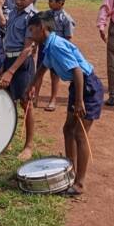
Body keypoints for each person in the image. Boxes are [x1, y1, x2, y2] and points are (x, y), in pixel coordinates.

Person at [27, 11, 104, 196]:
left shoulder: (57, 46)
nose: (29, 34)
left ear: (42, 28)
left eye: (32, 30)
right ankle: (69, 171)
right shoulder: (47, 45)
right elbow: (43, 68)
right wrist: (31, 87)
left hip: (87, 87)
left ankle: (79, 183)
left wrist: (79, 101)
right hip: (76, 87)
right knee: (67, 129)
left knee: (79, 134)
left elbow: (77, 71)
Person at [0, 0, 37, 161]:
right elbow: (9, 42)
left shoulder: (32, 17)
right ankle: (6, 139)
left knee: (26, 104)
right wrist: (4, 67)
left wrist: (11, 72)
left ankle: (29, 145)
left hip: (22, 66)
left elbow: (27, 49)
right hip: (9, 61)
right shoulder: (12, 13)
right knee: (8, 102)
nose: (19, 2)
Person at [34, 0, 75, 111]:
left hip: (57, 50)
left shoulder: (66, 19)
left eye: (51, 1)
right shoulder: (45, 15)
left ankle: (53, 99)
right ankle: (35, 97)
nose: (49, 3)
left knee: (54, 75)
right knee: (39, 72)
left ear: (61, 3)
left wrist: (63, 53)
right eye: (48, 0)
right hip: (44, 47)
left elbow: (68, 37)